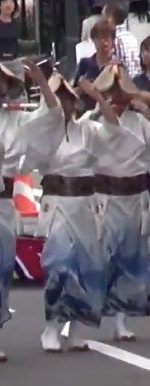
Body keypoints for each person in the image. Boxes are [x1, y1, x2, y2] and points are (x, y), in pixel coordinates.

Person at [0, 59, 63, 363]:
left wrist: (42, 84)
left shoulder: (16, 117)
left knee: (4, 268)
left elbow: (52, 117)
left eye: (1, 81)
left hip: (5, 200)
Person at [37, 73, 114, 353]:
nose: (64, 106)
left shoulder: (88, 130)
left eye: (68, 100)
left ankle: (77, 329)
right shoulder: (44, 133)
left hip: (85, 205)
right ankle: (51, 326)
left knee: (86, 267)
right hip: (58, 204)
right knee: (59, 264)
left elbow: (113, 125)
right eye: (59, 101)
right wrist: (45, 87)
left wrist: (95, 95)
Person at [91, 64, 150, 341]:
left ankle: (122, 320)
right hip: (107, 197)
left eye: (121, 90)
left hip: (136, 196)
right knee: (105, 258)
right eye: (110, 90)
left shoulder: (141, 123)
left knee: (131, 258)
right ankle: (85, 313)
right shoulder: (93, 122)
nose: (116, 95)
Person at [73, 20, 115, 111]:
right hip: (85, 115)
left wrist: (94, 91)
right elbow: (73, 94)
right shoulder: (85, 63)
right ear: (93, 40)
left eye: (107, 37)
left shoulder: (115, 67)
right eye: (99, 38)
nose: (104, 41)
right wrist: (81, 88)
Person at [104, 2, 141, 78]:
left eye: (105, 19)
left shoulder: (117, 39)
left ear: (110, 19)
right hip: (136, 80)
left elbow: (118, 67)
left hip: (125, 81)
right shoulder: (131, 36)